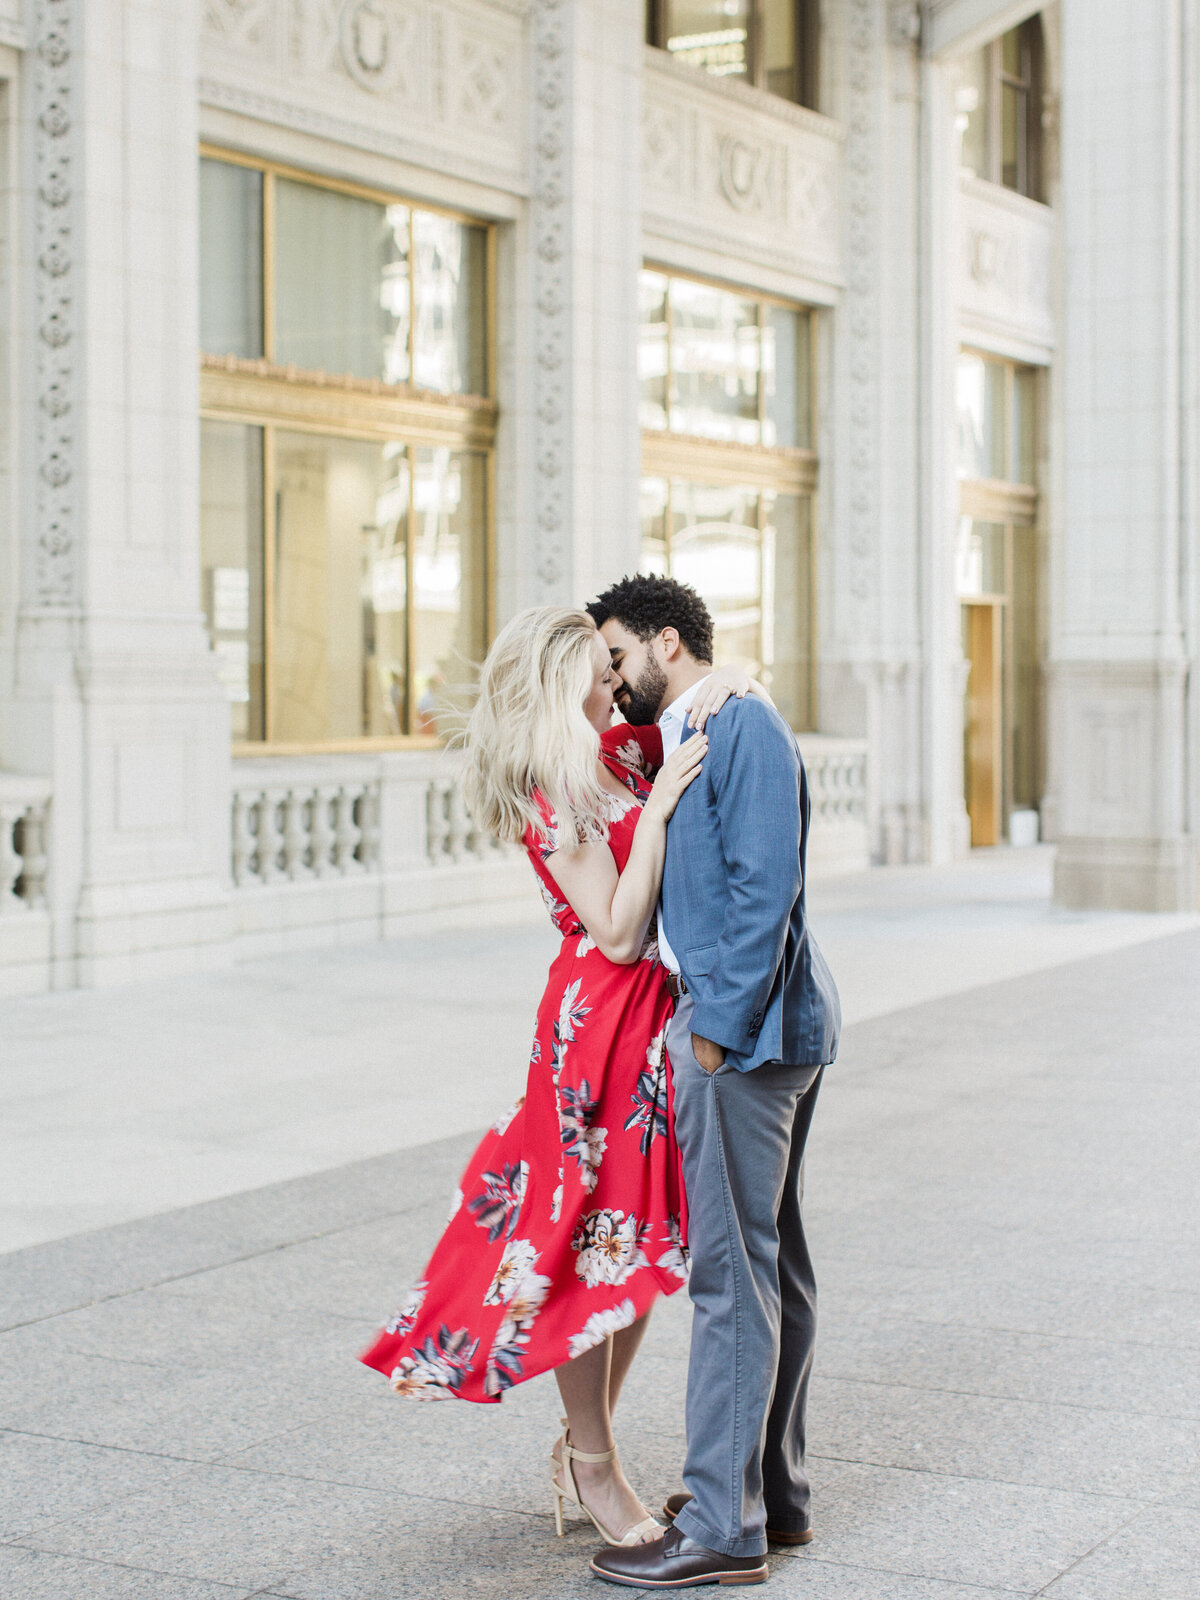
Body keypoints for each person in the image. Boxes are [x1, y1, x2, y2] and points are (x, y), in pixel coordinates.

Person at [359, 605, 768, 1549]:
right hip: (597, 1029)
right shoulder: (555, 788)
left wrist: (736, 684)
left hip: (651, 1022)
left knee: (638, 1249)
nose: (614, 679)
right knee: (587, 1245)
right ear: (561, 681)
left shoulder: (616, 752)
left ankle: (589, 1446)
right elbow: (617, 929)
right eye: (599, 667)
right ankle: (593, 1464)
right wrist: (659, 809)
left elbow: (689, 713)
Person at [585, 575, 841, 1590]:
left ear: (664, 641)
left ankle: (726, 1527)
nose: (612, 678)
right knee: (772, 1269)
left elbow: (763, 890)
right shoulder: (701, 722)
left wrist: (714, 1038)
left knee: (733, 1278)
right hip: (760, 1033)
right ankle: (772, 1497)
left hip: (748, 1040)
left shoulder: (741, 723)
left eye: (615, 656)